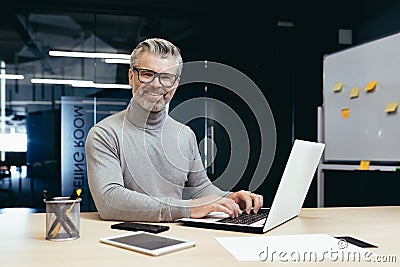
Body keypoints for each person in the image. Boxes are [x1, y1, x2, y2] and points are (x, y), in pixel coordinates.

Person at [85, 37, 263, 222]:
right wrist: (187, 208)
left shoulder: (185, 135)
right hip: (124, 239)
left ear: (176, 83)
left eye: (166, 77)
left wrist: (227, 198)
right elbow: (110, 202)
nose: (156, 84)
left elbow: (200, 187)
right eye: (146, 74)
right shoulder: (104, 134)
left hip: (178, 238)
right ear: (131, 76)